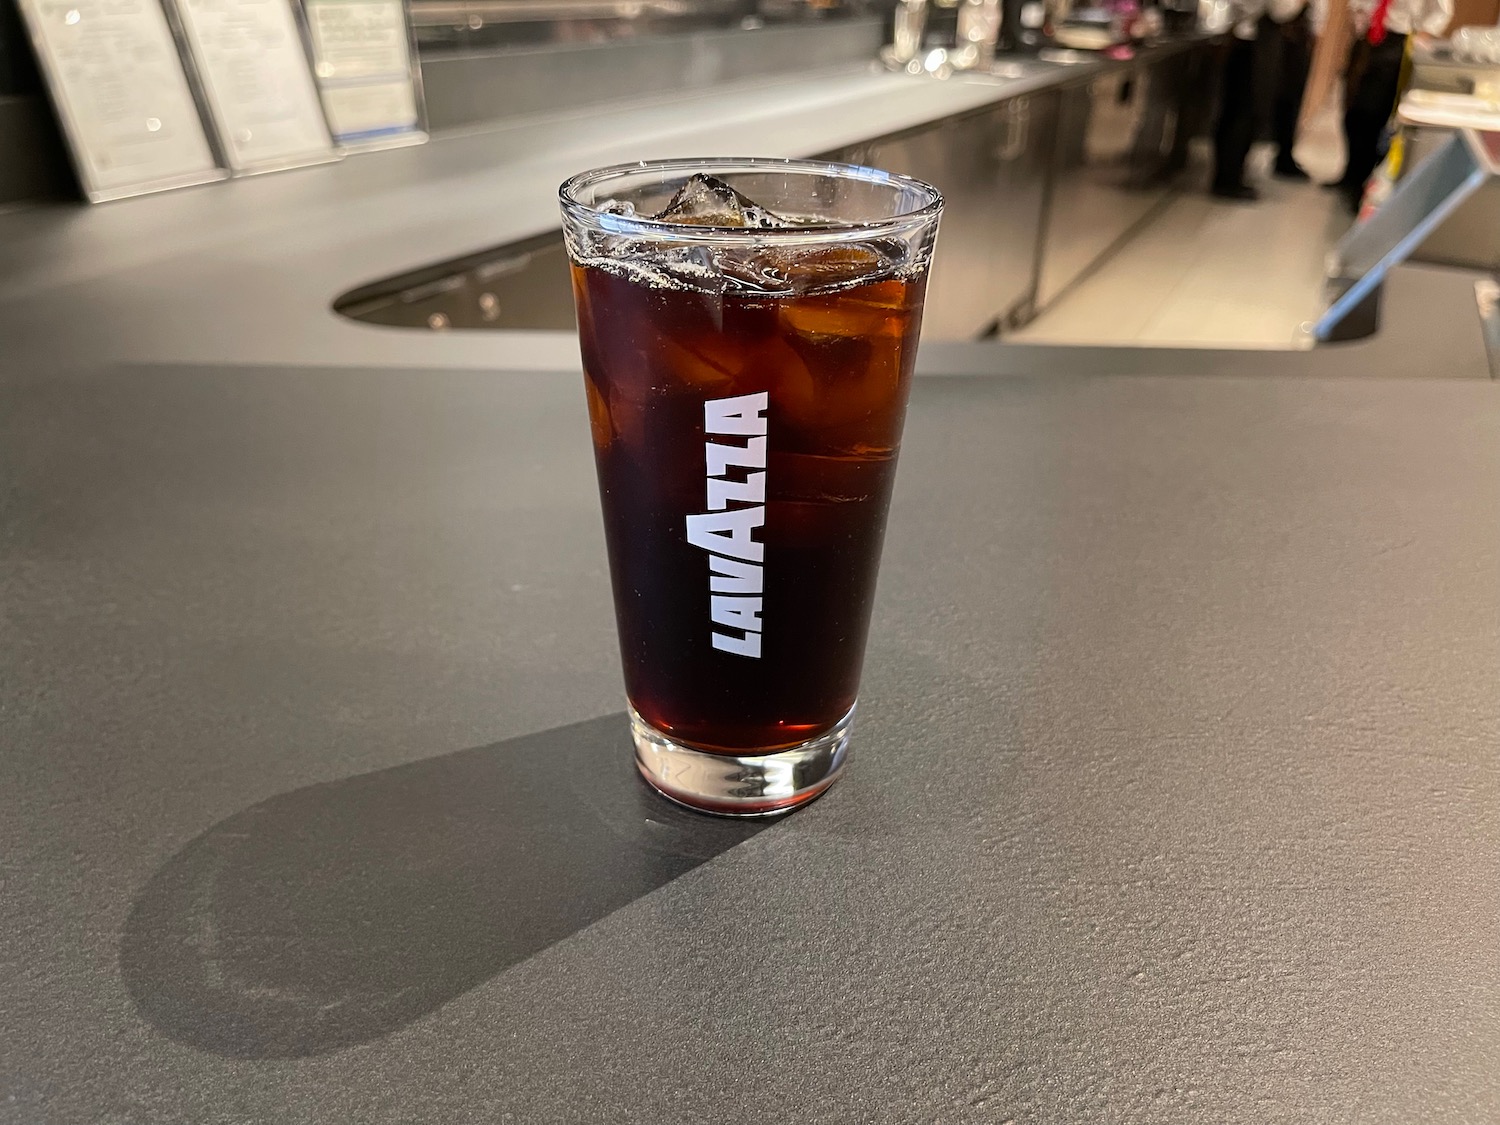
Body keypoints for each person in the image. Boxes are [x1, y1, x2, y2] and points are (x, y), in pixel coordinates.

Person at [1322, 0, 1454, 211]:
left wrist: (1425, 33)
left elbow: (1442, 11)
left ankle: (1362, 183)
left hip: (1398, 40)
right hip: (1368, 36)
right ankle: (1350, 173)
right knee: (1352, 111)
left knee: (1373, 115)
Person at [1213, 0, 1311, 199]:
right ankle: (1228, 179)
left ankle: (1229, 175)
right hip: (1253, 42)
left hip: (1245, 40)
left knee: (1236, 111)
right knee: (1243, 113)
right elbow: (1281, 10)